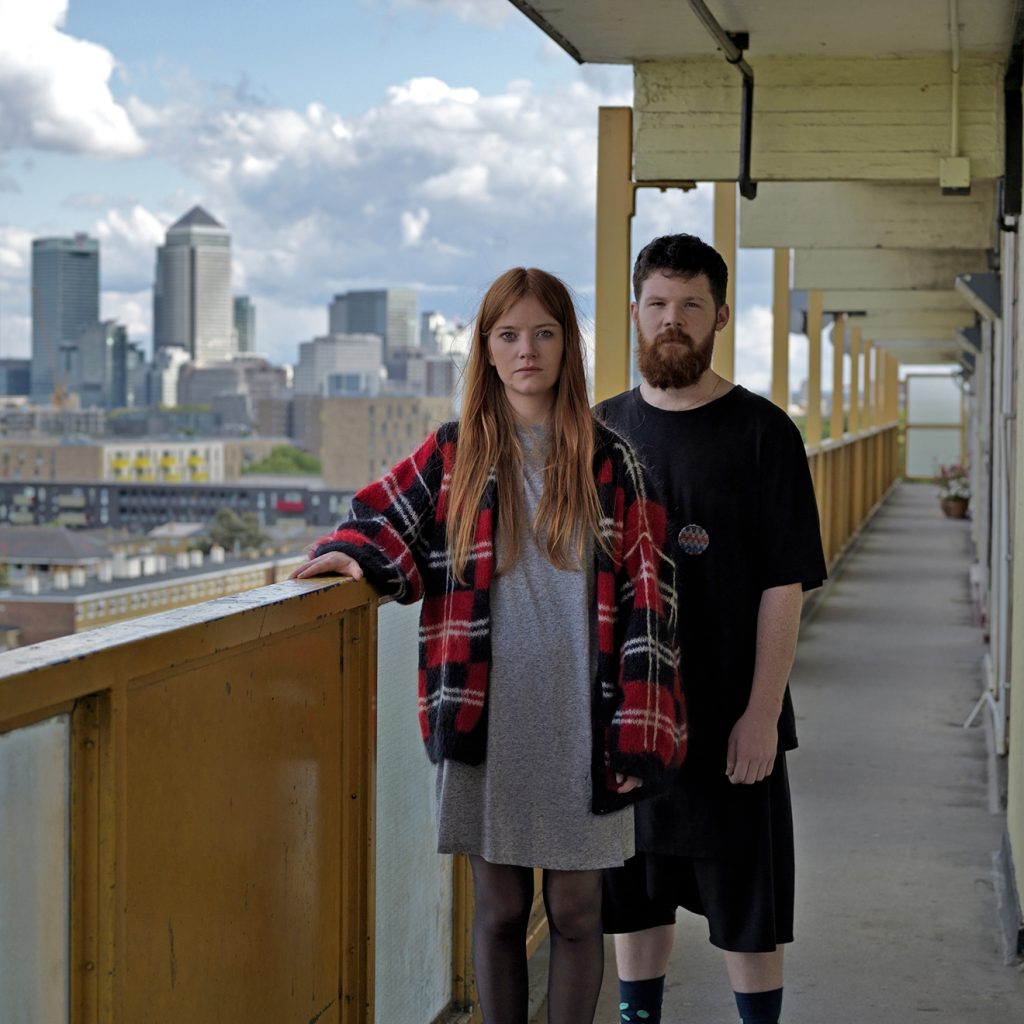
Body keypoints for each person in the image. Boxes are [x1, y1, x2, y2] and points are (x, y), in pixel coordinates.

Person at [290, 267, 686, 1024]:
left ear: (567, 346)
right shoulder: (454, 454)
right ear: (487, 349)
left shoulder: (614, 461)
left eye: (543, 333)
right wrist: (351, 554)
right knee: (501, 909)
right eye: (508, 335)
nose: (526, 350)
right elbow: (377, 519)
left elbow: (652, 606)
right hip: (486, 714)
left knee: (576, 911)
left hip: (586, 718)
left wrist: (638, 730)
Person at [595, 234, 827, 1024]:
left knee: (748, 911)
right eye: (658, 303)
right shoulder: (598, 433)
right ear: (635, 312)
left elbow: (782, 586)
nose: (673, 319)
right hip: (630, 722)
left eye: (691, 305)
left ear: (721, 316)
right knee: (634, 904)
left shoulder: (764, 433)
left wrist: (762, 713)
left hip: (731, 719)